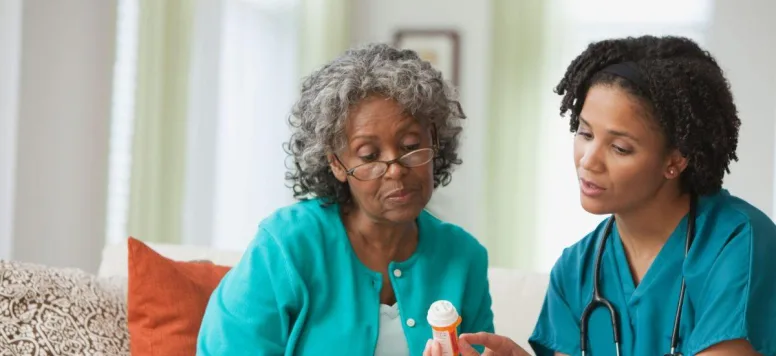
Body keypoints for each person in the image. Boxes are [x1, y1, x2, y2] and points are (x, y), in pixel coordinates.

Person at [425, 35, 776, 356]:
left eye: (620, 147)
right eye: (585, 132)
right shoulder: (576, 270)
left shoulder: (739, 242)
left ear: (675, 159)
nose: (588, 161)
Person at [197, 43, 494, 355]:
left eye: (410, 145)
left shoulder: (464, 257)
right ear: (337, 164)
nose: (396, 170)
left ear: (434, 143)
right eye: (369, 154)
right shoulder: (287, 244)